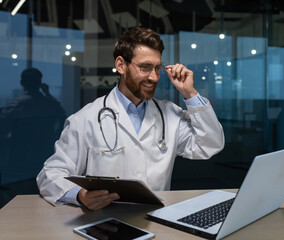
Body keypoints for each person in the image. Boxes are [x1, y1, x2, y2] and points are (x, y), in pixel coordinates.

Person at [37, 27, 224, 210]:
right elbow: (50, 174)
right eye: (145, 67)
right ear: (121, 65)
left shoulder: (169, 114)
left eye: (157, 68)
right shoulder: (85, 119)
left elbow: (209, 145)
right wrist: (80, 195)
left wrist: (190, 93)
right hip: (106, 222)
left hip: (157, 219)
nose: (154, 77)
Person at [0, 68, 66, 184]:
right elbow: (62, 116)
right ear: (40, 83)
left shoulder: (15, 105)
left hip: (19, 158)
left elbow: (3, 131)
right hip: (45, 155)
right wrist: (48, 94)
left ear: (22, 83)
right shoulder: (49, 103)